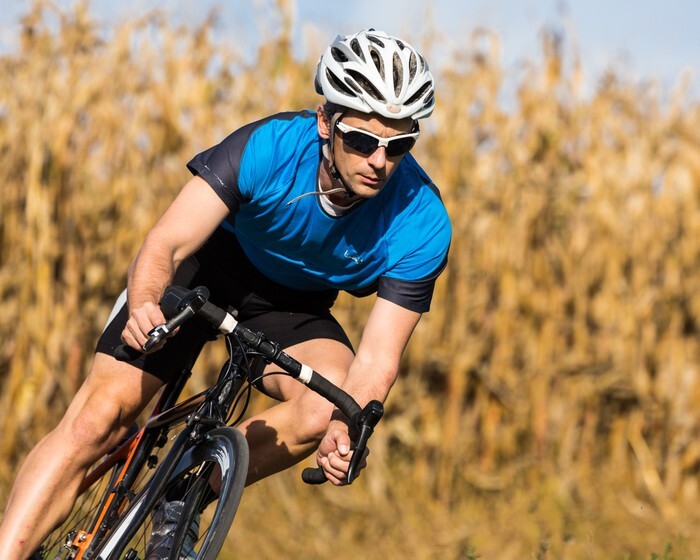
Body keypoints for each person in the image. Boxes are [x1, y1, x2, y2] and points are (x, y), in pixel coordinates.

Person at [0, 28, 451, 559]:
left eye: (399, 145)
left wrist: (346, 426)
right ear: (326, 123)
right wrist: (144, 302)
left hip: (293, 305)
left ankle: (187, 491)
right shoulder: (270, 148)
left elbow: (377, 359)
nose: (379, 160)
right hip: (205, 268)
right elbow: (167, 243)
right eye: (361, 140)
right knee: (97, 420)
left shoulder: (422, 220)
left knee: (326, 406)